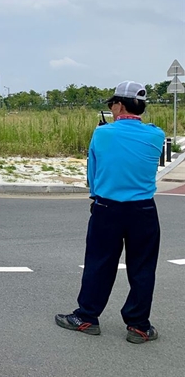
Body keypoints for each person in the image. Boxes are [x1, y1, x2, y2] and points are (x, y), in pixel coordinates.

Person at [55, 81, 165, 344]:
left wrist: (96, 193)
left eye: (112, 103)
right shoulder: (156, 135)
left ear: (118, 105)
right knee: (143, 268)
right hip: (144, 209)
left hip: (107, 208)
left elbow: (93, 172)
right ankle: (139, 325)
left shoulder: (102, 134)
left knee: (99, 264)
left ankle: (87, 317)